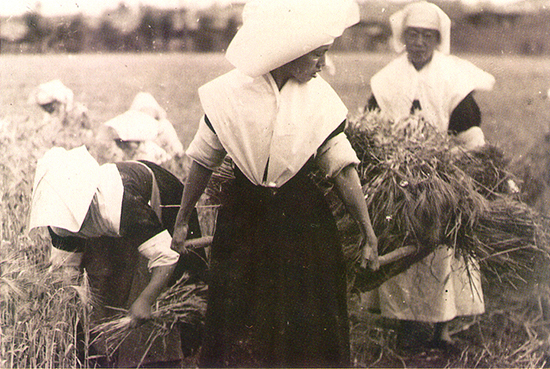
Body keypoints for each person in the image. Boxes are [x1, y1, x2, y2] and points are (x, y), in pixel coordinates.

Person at [170, 0, 379, 367]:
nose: (322, 65)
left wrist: (368, 232)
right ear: (290, 52)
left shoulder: (320, 99)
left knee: (307, 322)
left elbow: (343, 168)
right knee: (241, 320)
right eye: (317, 55)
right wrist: (183, 219)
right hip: (244, 222)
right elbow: (202, 160)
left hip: (302, 224)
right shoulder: (228, 95)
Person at [363, 1, 495, 348]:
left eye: (426, 36)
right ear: (402, 37)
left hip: (443, 177)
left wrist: (466, 168)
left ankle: (442, 329)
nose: (419, 42)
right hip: (399, 178)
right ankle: (403, 326)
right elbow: (372, 124)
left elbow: (469, 130)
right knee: (401, 247)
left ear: (438, 39)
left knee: (442, 251)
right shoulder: (386, 79)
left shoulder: (452, 77)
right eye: (413, 35)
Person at [28, 145, 206, 367]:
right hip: (114, 220)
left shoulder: (120, 203)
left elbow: (166, 257)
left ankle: (152, 360)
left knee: (146, 287)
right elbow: (67, 272)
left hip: (160, 196)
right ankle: (107, 355)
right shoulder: (58, 218)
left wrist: (145, 300)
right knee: (103, 280)